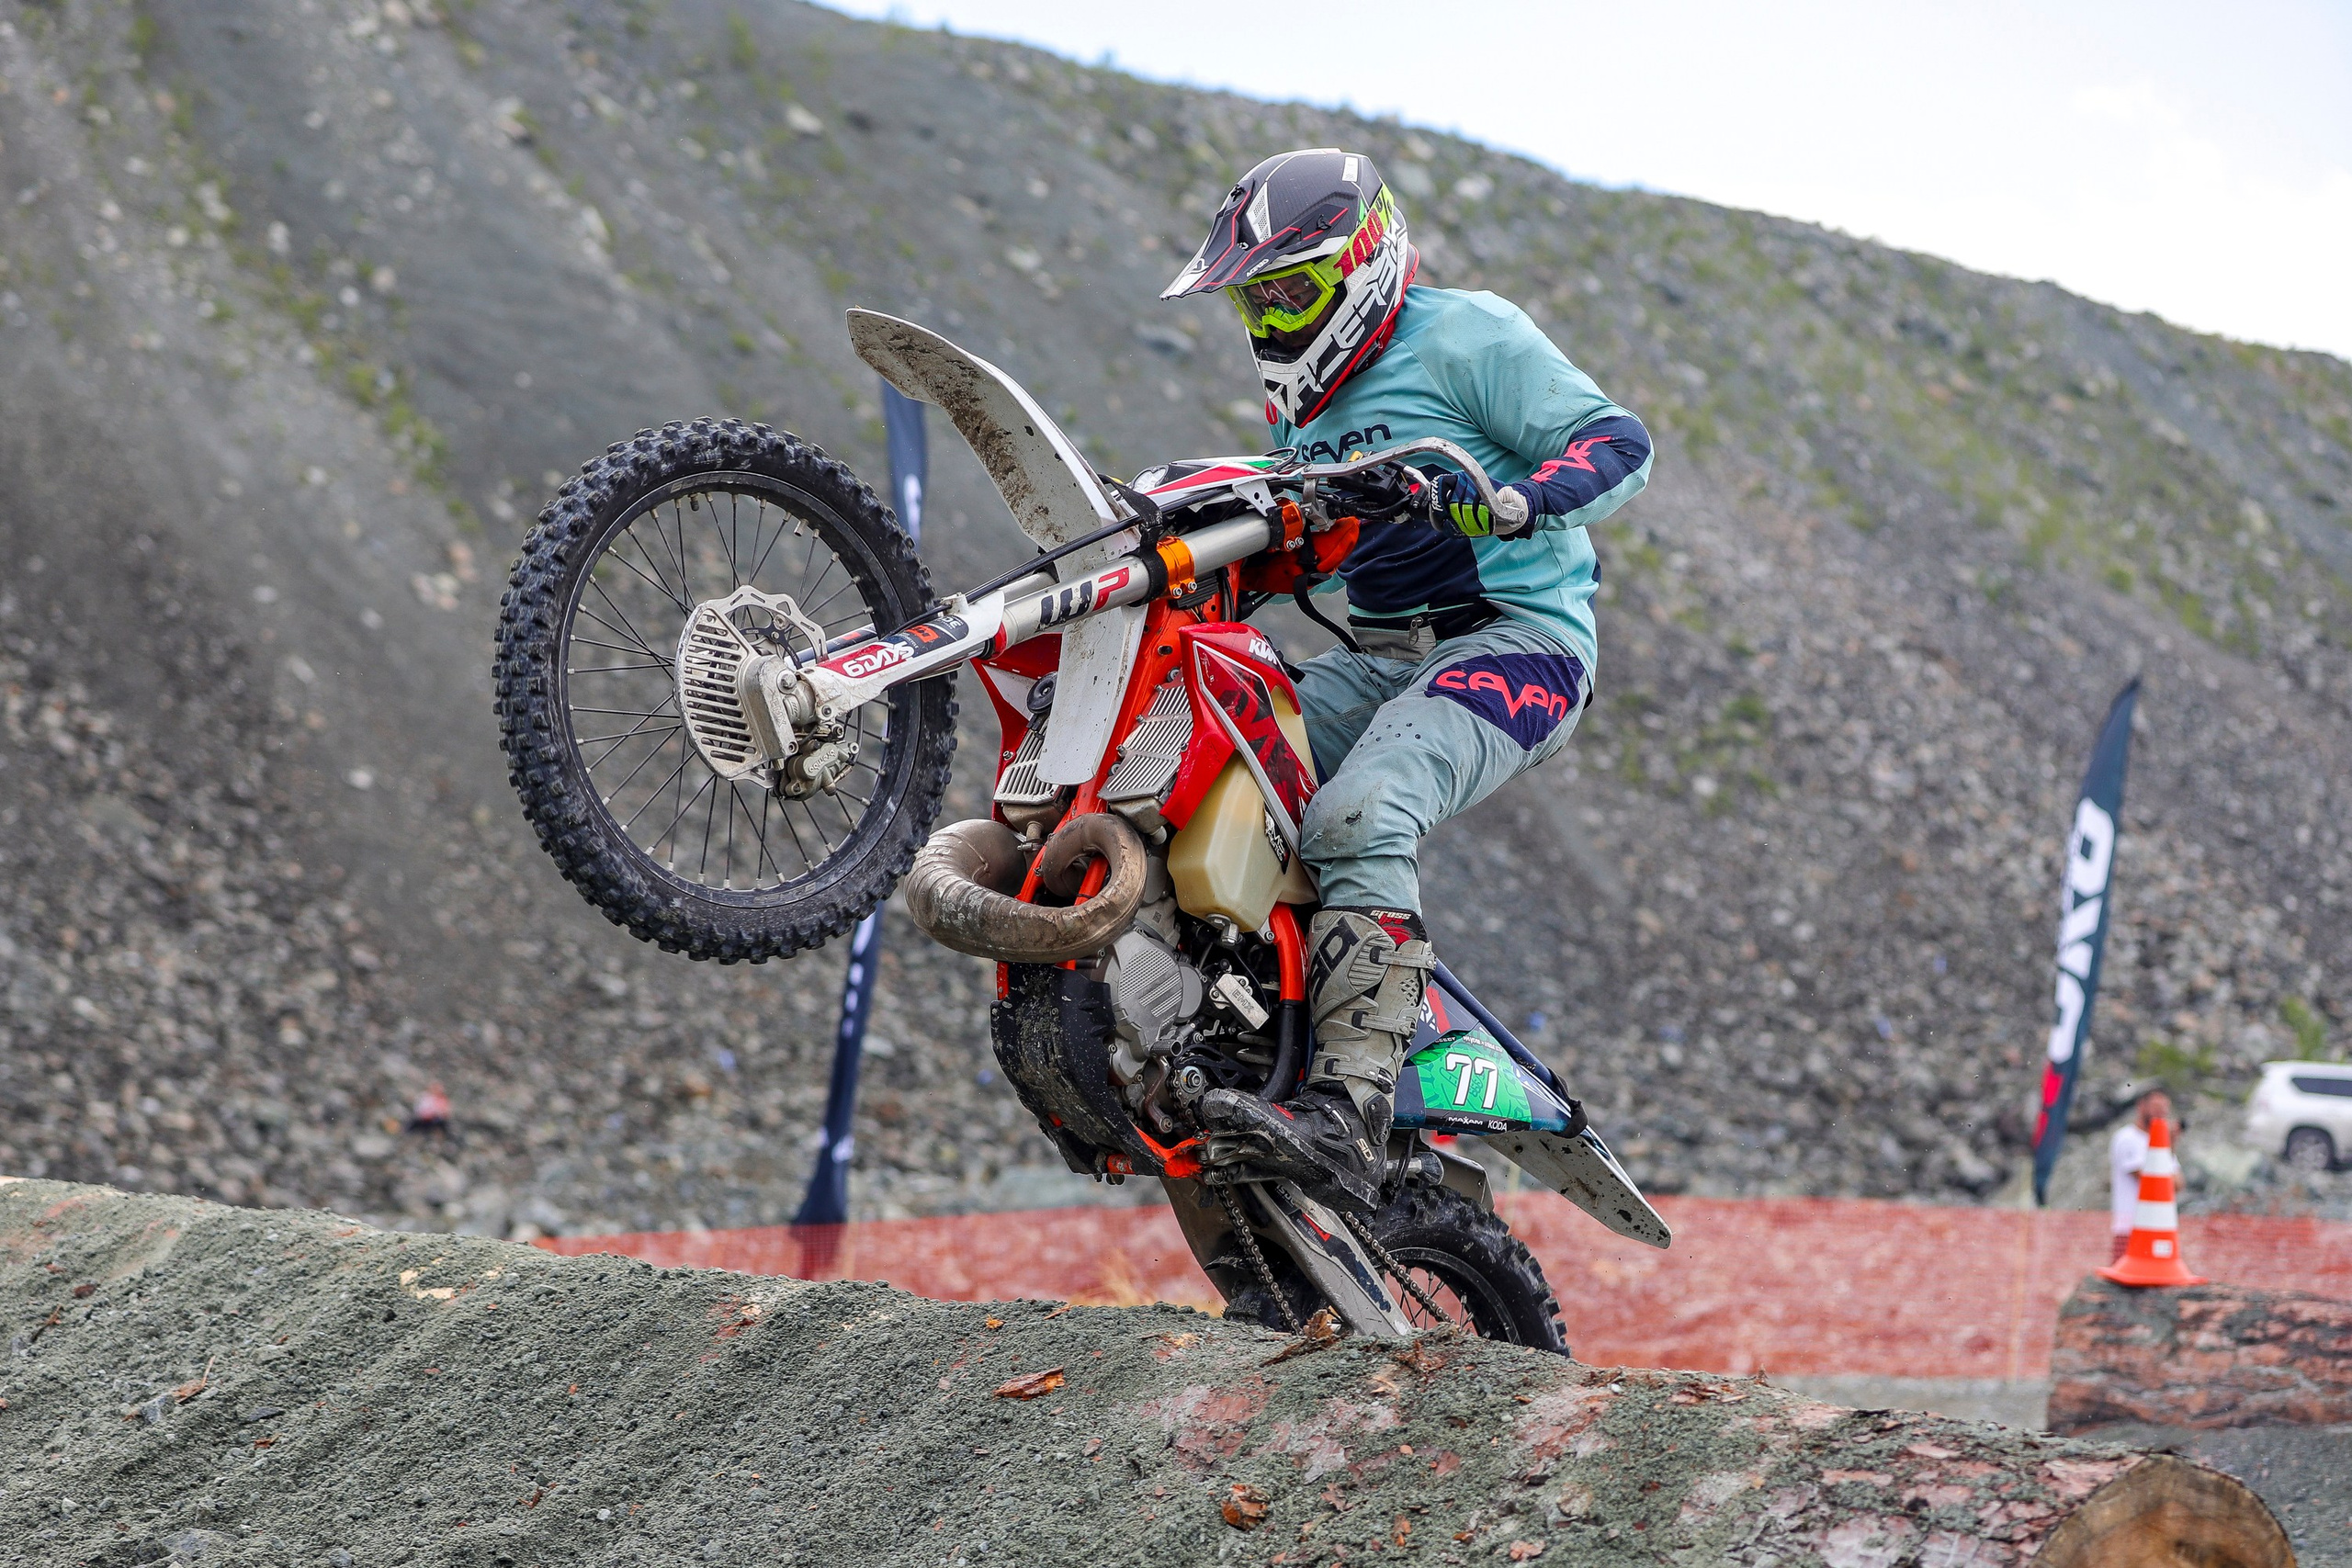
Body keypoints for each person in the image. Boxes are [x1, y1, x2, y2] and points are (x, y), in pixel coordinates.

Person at [1159, 148, 1652, 1210]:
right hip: (1381, 652)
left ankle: (1348, 1110)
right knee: (1196, 753)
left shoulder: (1469, 334)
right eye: (1255, 300)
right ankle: (1242, 1028)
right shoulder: (1301, 407)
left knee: (1359, 811)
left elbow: (1617, 441)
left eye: (1290, 291)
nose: (1272, 319)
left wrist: (1524, 500)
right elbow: (1317, 544)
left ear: (1362, 260)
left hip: (1514, 640)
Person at [2109, 1090, 2172, 1262]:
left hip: (2158, 1227)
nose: (2160, 1113)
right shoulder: (2126, 1138)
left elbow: (2177, 1184)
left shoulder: (2162, 1142)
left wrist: (2171, 1146)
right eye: (2156, 1107)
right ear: (2141, 1106)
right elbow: (2151, 1182)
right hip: (2129, 1225)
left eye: (2164, 1109)